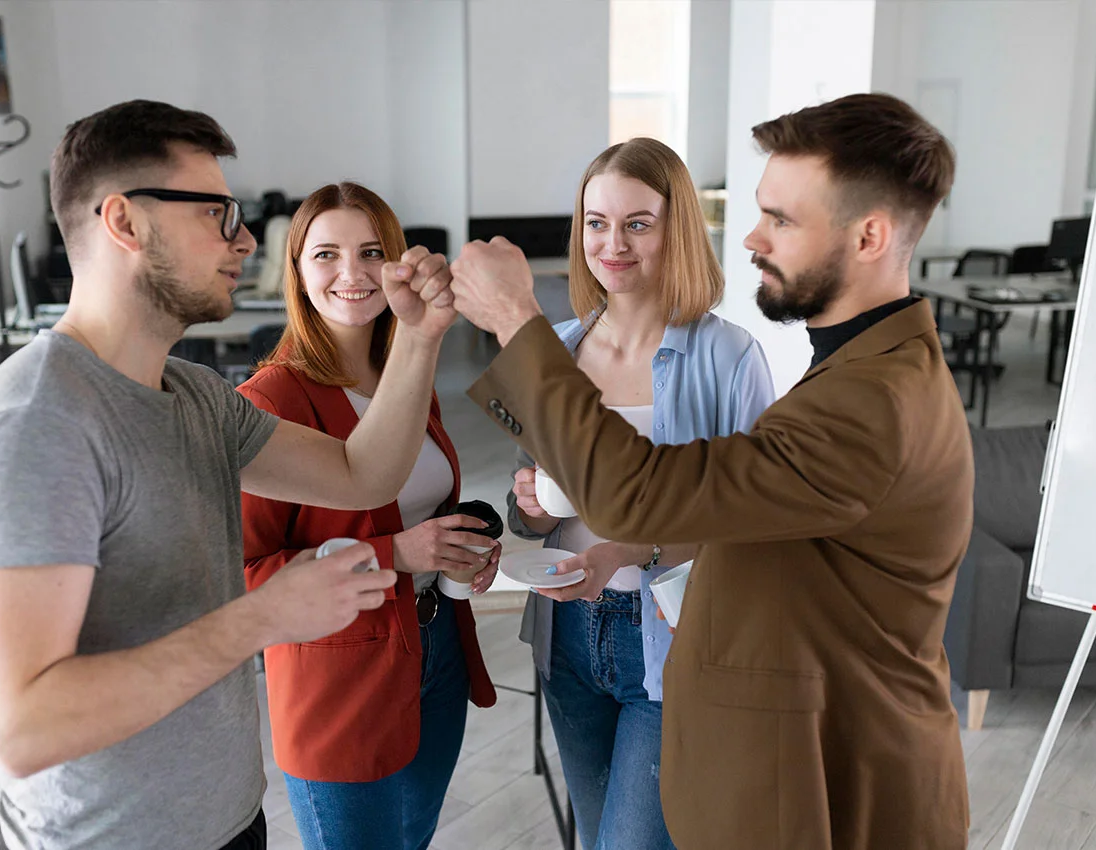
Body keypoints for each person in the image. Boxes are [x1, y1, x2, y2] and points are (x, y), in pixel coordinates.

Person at [449, 93, 972, 849]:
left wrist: (513, 320)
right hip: (765, 732)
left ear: (869, 236)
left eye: (781, 219)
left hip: (835, 778)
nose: (753, 238)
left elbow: (638, 495)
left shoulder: (870, 404)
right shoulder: (861, 372)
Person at [0, 100, 458, 850]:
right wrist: (265, 615)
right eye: (217, 213)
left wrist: (418, 336)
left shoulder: (196, 395)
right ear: (124, 222)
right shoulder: (37, 425)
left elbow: (362, 473)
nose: (243, 239)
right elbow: (23, 729)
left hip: (229, 821)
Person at [505, 138, 775, 849]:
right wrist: (527, 504)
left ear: (675, 228)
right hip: (566, 630)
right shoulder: (555, 350)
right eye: (596, 223)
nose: (612, 244)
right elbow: (529, 514)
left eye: (637, 224)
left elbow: (758, 523)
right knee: (596, 835)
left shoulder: (728, 356)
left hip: (671, 639)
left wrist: (633, 549)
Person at [238, 182, 499, 850]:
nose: (351, 273)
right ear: (296, 271)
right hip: (338, 680)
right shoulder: (268, 402)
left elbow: (421, 506)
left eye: (371, 252)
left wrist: (460, 546)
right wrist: (397, 555)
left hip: (435, 650)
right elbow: (241, 576)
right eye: (326, 254)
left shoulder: (405, 379)